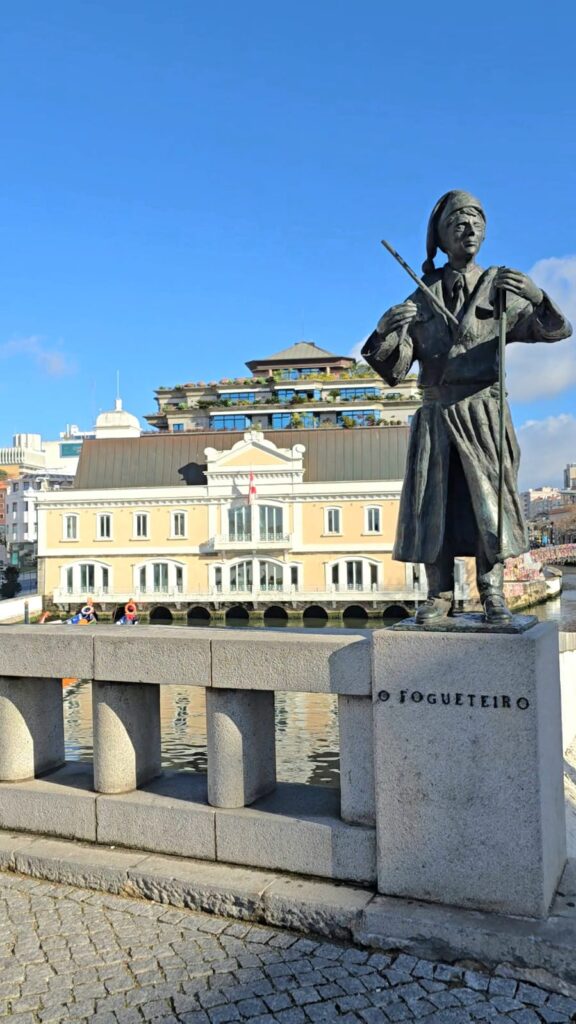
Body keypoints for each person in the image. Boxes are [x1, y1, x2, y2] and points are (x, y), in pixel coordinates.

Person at [362, 190, 572, 624]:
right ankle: (437, 594)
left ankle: (491, 591)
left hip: (484, 414)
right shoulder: (422, 296)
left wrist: (538, 295)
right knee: (430, 504)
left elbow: (555, 331)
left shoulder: (500, 288)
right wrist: (383, 330)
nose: (469, 228)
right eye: (458, 221)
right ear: (440, 237)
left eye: (476, 220)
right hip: (437, 414)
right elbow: (396, 369)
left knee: (488, 505)